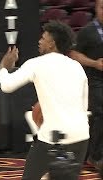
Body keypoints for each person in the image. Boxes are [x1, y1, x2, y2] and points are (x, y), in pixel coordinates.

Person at [0, 21, 90, 179]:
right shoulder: (77, 66)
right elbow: (84, 105)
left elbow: (7, 86)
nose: (39, 41)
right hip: (81, 135)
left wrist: (4, 68)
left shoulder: (36, 64)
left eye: (43, 38)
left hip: (54, 137)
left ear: (52, 43)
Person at [69, 0, 103, 172]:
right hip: (95, 81)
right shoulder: (88, 31)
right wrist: (94, 63)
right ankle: (94, 156)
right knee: (100, 114)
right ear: (96, 8)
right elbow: (73, 53)